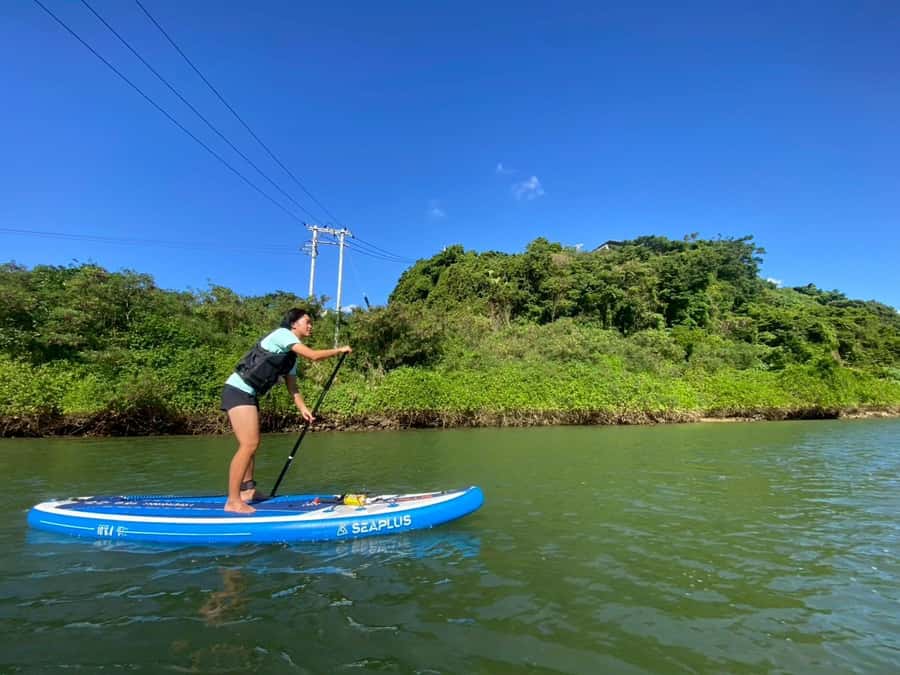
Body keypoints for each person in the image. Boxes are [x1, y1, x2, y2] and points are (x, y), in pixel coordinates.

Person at [220, 308, 351, 514]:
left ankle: (248, 491)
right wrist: (339, 350)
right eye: (306, 322)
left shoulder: (291, 357)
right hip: (237, 390)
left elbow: (293, 387)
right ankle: (233, 500)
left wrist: (303, 409)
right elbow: (314, 356)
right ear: (293, 324)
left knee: (250, 445)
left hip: (249, 394)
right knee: (249, 444)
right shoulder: (282, 335)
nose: (310, 326)